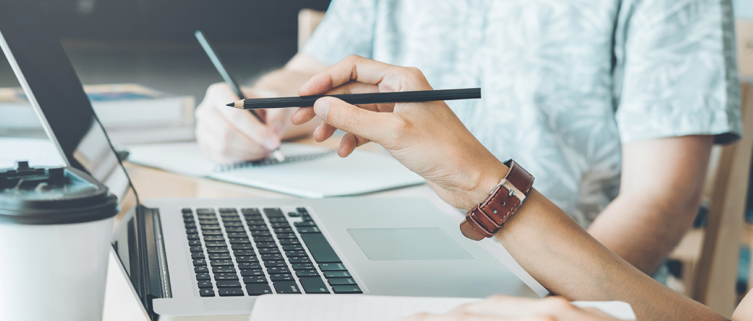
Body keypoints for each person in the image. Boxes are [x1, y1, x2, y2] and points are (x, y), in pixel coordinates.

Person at [195, 0, 742, 276]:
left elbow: (661, 198)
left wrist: (549, 301)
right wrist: (254, 108)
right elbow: (304, 78)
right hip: (379, 249)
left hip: (563, 275)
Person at [293, 55, 741, 321]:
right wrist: (475, 180)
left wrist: (553, 304)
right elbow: (308, 69)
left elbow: (663, 196)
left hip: (571, 283)